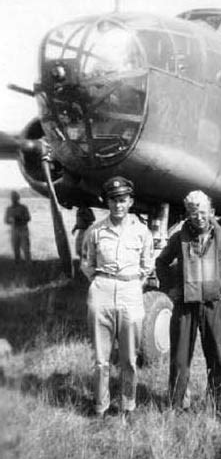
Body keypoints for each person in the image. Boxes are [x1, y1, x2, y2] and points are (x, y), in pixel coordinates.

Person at [155, 190, 221, 421]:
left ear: (211, 212)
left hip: (214, 306)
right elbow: (161, 262)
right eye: (192, 212)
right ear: (187, 214)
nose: (198, 217)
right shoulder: (179, 238)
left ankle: (219, 408)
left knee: (217, 359)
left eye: (202, 212)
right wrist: (170, 288)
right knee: (179, 360)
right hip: (185, 308)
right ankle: (176, 407)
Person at [81, 176, 154, 419]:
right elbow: (87, 263)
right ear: (107, 202)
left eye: (122, 200)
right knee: (101, 359)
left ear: (131, 201)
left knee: (129, 358)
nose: (118, 205)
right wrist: (102, 282)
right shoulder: (95, 231)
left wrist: (132, 284)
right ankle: (100, 407)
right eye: (113, 200)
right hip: (101, 291)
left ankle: (128, 406)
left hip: (130, 292)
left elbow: (147, 265)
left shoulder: (142, 232)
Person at [4, 190, 31, 263]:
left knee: (26, 248)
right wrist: (11, 220)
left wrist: (20, 218)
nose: (14, 199)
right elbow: (6, 221)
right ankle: (18, 264)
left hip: (23, 229)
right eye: (12, 197)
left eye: (15, 197)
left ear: (18, 198)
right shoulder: (9, 209)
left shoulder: (23, 207)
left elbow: (28, 218)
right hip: (14, 230)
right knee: (15, 248)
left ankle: (28, 264)